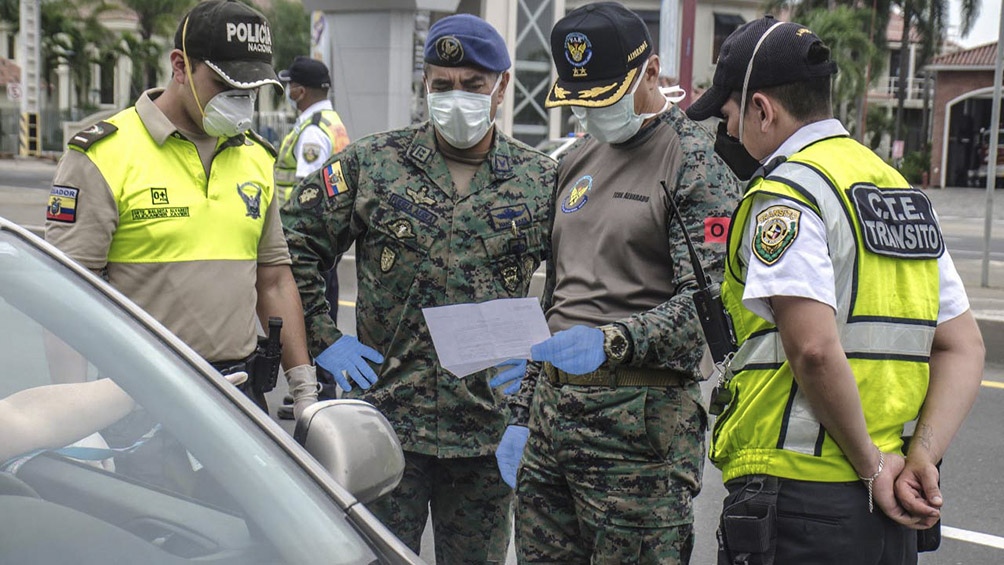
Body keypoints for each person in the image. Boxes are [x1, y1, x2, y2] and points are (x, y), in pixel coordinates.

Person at [685, 16, 985, 564]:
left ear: (761, 109)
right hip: (887, 498)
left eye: (727, 117)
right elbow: (964, 345)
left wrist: (871, 466)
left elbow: (814, 350)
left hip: (798, 493)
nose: (725, 134)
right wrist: (919, 457)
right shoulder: (900, 193)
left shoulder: (787, 193)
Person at [281, 13, 556, 562]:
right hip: (385, 423)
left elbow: (578, 282)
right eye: (442, 86)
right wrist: (322, 336)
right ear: (424, 86)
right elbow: (290, 246)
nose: (457, 99)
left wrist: (537, 365)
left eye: (473, 87)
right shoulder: (374, 164)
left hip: (485, 432)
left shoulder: (541, 181)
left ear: (501, 87)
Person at [492, 3, 742, 562]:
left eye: (605, 97)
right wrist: (523, 414)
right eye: (581, 100)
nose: (592, 112)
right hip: (553, 423)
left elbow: (712, 311)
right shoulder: (575, 159)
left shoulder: (693, 164)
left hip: (639, 434)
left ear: (651, 72)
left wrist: (613, 340)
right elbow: (557, 302)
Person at [44, 0, 318, 420]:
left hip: (239, 398)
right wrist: (73, 416)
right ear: (180, 66)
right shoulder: (104, 155)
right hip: (138, 396)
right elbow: (64, 297)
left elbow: (275, 280)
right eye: (226, 85)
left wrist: (303, 391)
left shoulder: (254, 158)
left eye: (251, 89)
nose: (241, 100)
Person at [274, 55, 351, 419]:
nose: (289, 90)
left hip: (306, 238)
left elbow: (305, 189)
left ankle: (320, 394)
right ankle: (324, 390)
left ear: (300, 90)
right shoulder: (331, 122)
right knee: (323, 309)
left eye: (291, 85)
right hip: (326, 239)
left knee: (310, 313)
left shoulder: (312, 131)